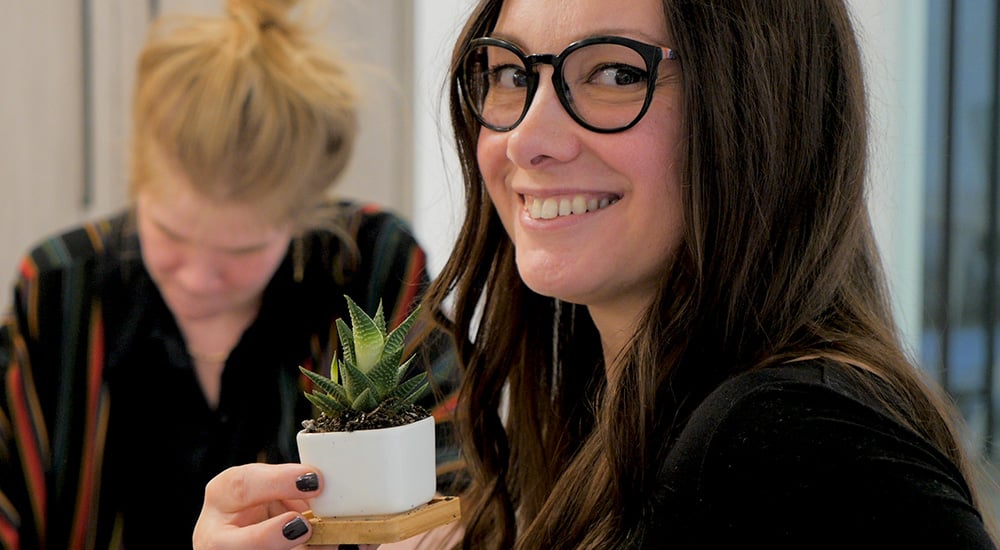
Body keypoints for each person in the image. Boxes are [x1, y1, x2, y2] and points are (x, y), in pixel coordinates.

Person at [193, 0, 999, 548]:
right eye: (511, 73)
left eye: (615, 73)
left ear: (761, 106)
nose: (528, 139)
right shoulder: (605, 422)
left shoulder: (791, 445)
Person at [0, 0, 459, 548]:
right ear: (139, 184)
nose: (196, 277)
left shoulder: (373, 268)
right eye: (170, 234)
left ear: (303, 216)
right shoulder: (59, 291)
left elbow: (459, 488)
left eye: (241, 249)